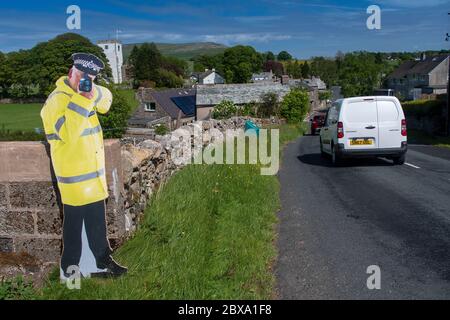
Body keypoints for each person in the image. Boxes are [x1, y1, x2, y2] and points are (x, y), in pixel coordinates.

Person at [40, 53, 127, 280]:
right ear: (70, 73)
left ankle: (101, 262)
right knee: (74, 229)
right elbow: (68, 134)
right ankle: (70, 272)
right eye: (81, 77)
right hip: (75, 181)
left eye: (90, 79)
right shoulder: (55, 101)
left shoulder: (86, 92)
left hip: (93, 179)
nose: (84, 83)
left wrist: (92, 92)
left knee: (97, 225)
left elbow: (106, 103)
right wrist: (81, 99)